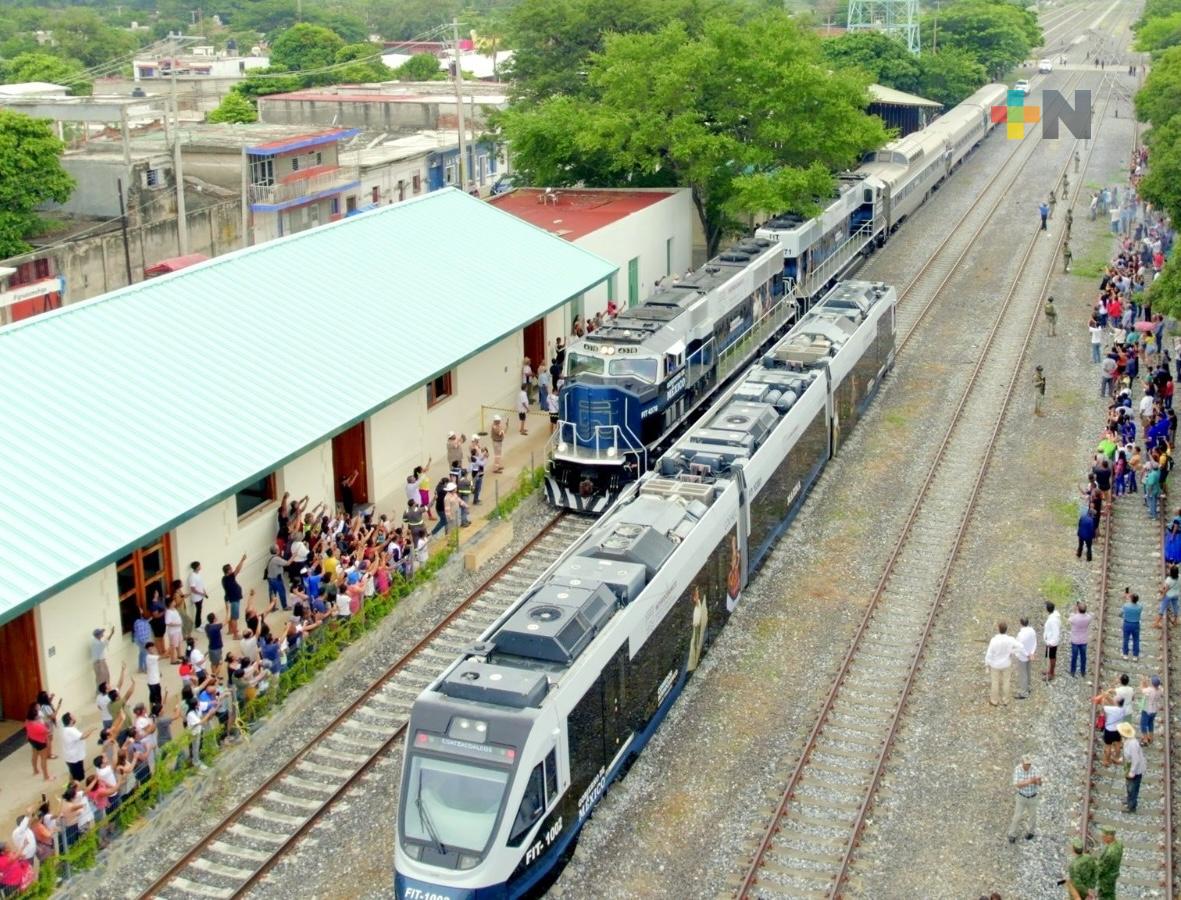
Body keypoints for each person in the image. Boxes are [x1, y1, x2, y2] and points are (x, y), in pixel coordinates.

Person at [985, 621, 1022, 707]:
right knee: (1006, 681)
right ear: (1006, 629)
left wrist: (987, 664)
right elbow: (1020, 647)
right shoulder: (1010, 639)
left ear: (998, 629)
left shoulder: (994, 640)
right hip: (1006, 663)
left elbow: (989, 654)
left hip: (995, 664)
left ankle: (994, 700)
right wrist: (1012, 652)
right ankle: (1005, 700)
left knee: (995, 682)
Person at [1007, 755, 1040, 843]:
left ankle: (1031, 832)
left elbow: (1039, 783)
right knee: (1017, 816)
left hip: (1033, 797)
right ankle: (1012, 834)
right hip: (1021, 797)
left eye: (1029, 764)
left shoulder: (1034, 769)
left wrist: (1038, 781)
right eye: (1026, 764)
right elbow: (1017, 784)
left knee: (1033, 816)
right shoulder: (1017, 769)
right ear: (1022, 763)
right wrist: (1030, 781)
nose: (1028, 766)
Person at [1118, 722, 1146, 812]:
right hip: (1129, 766)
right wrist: (1122, 759)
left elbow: (1136, 760)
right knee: (1129, 785)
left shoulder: (1133, 744)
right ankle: (1129, 798)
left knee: (1133, 788)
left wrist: (1132, 772)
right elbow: (1127, 753)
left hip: (1135, 770)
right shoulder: (1127, 740)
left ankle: (1131, 806)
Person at [59, 713, 92, 782]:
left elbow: (79, 735)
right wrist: (91, 730)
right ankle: (74, 787)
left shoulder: (67, 729)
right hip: (74, 758)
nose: (75, 716)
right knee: (78, 778)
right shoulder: (70, 730)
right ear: (70, 721)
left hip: (70, 757)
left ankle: (70, 783)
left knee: (72, 773)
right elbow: (83, 736)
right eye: (73, 716)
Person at [222, 553, 246, 639]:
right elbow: (237, 570)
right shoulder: (229, 577)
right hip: (234, 600)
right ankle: (235, 635)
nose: (232, 569)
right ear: (228, 571)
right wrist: (242, 560)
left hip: (230, 599)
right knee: (234, 618)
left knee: (231, 616)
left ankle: (230, 630)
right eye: (230, 569)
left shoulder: (224, 578)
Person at [1096, 826, 1123, 900]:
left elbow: (1102, 869)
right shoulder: (1119, 844)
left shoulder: (1110, 853)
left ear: (1110, 837)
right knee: (1111, 895)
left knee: (1104, 897)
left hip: (1106, 880)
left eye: (1104, 836)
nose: (1102, 838)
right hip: (1113, 875)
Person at [25, 704, 50, 781]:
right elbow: (47, 731)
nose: (38, 715)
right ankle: (46, 777)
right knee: (43, 758)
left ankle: (35, 770)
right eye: (37, 715)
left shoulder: (27, 722)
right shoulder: (38, 726)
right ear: (35, 717)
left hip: (32, 740)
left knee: (34, 755)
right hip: (40, 742)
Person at [1069, 602, 1093, 676]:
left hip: (1075, 640)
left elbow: (1069, 620)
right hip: (1083, 640)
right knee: (1083, 656)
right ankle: (1083, 671)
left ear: (1078, 609)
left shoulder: (1074, 617)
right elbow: (1089, 616)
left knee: (1074, 656)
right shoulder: (1088, 617)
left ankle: (1073, 671)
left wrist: (1074, 611)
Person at [1014, 617, 1036, 699]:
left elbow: (1020, 647)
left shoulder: (1021, 634)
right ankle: (1028, 687)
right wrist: (1032, 653)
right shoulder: (1032, 631)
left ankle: (1023, 692)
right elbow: (1035, 642)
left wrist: (1027, 654)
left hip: (1023, 657)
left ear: (1021, 623)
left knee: (1023, 674)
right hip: (1030, 654)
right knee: (1028, 672)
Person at [264, 545, 290, 611]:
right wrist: (294, 556)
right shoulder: (276, 559)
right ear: (276, 551)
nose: (279, 549)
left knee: (272, 593)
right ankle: (285, 606)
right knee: (282, 592)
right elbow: (287, 563)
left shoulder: (269, 558)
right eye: (278, 548)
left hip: (270, 578)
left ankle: (272, 607)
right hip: (277, 579)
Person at [1043, 601, 1062, 681]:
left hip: (1051, 642)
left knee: (1052, 657)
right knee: (1050, 657)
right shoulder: (1053, 616)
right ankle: (1050, 670)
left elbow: (1056, 632)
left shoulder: (1053, 620)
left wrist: (1051, 643)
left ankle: (1052, 673)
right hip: (1049, 640)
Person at [1157, 563, 1180, 627]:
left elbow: (1166, 589)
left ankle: (1157, 622)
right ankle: (1175, 621)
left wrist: (1162, 595)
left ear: (1171, 573)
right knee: (1175, 607)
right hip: (1176, 595)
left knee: (1162, 607)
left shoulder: (1169, 579)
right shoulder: (1180, 577)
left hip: (1168, 595)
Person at [186, 561, 208, 626]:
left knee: (200, 610)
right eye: (199, 566)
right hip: (196, 597)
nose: (200, 566)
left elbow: (201, 584)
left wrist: (204, 591)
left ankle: (199, 624)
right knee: (198, 611)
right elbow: (193, 589)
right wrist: (201, 593)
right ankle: (198, 625)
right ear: (196, 567)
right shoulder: (192, 576)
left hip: (201, 596)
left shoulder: (198, 574)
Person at [1121, 591, 1141, 660]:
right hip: (1136, 624)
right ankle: (1135, 656)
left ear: (1131, 599)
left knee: (1126, 639)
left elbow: (1120, 614)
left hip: (1127, 624)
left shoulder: (1126, 606)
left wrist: (1126, 599)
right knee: (1136, 640)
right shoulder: (1140, 607)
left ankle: (1125, 654)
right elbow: (1137, 604)